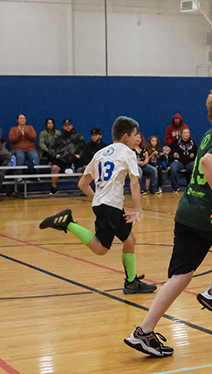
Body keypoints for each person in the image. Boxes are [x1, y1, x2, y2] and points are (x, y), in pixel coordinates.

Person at [123, 86, 212, 357]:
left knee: (180, 276)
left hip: (187, 212)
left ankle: (143, 332)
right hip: (208, 213)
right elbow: (210, 163)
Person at [39, 116, 157, 295]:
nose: (138, 139)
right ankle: (68, 223)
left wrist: (99, 199)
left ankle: (131, 282)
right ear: (125, 137)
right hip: (110, 206)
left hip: (105, 204)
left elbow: (82, 184)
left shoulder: (101, 153)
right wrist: (138, 209)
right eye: (135, 136)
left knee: (129, 240)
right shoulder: (128, 152)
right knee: (101, 248)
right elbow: (134, 182)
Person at [48, 119, 85, 195]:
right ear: (63, 126)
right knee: (55, 168)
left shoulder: (78, 136)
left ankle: (83, 188)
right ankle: (54, 189)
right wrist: (56, 155)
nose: (68, 127)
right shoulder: (58, 137)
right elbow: (51, 149)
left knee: (81, 169)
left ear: (72, 126)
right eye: (66, 126)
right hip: (62, 158)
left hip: (74, 158)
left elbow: (84, 148)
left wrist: (80, 155)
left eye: (69, 125)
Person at [168, 127, 197, 191]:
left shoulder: (192, 143)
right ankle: (175, 187)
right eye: (184, 133)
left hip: (189, 162)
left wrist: (194, 155)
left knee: (195, 167)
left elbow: (197, 152)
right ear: (181, 134)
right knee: (173, 168)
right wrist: (173, 155)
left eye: (187, 133)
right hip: (179, 162)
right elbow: (169, 151)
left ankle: (192, 186)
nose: (186, 134)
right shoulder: (177, 142)